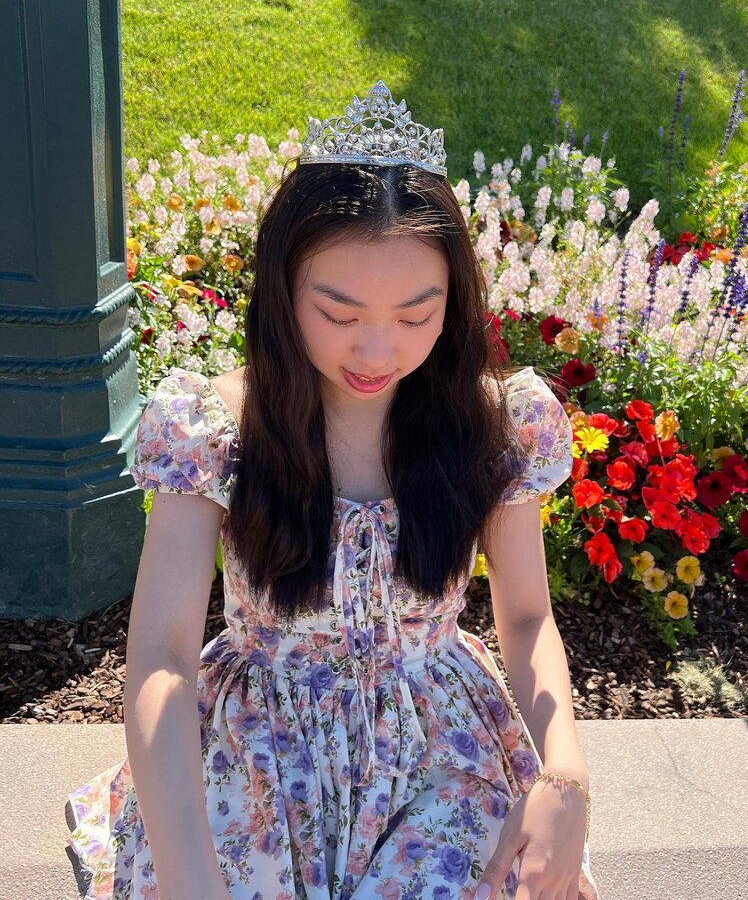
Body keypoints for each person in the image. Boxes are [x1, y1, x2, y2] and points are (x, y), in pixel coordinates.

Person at [64, 81, 602, 900]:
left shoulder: (495, 425)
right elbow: (162, 655)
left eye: (416, 316)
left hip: (443, 751)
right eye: (339, 313)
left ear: (453, 303)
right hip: (257, 754)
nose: (377, 350)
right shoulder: (216, 428)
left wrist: (565, 776)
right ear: (284, 291)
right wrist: (187, 872)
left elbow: (526, 619)